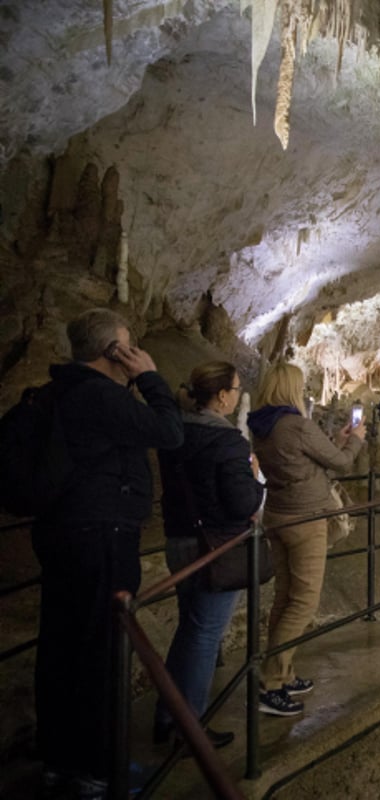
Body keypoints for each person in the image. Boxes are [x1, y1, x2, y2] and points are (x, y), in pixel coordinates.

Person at [32, 308, 183, 799]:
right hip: (102, 536)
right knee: (100, 653)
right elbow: (169, 432)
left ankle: (59, 761)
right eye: (128, 345)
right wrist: (152, 377)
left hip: (63, 533)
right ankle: (97, 771)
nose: (134, 352)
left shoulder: (60, 391)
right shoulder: (99, 395)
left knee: (60, 647)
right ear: (113, 352)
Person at [153, 362, 264, 750]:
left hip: (179, 541)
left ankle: (168, 717)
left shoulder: (176, 432)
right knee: (204, 636)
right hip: (216, 549)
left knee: (189, 630)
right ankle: (190, 730)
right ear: (221, 396)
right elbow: (241, 503)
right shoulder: (229, 442)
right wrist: (255, 481)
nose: (236, 395)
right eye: (235, 389)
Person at [248, 363, 365, 716]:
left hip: (279, 516)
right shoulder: (297, 425)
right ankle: (271, 683)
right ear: (290, 389)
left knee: (285, 599)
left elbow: (308, 461)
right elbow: (341, 463)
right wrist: (355, 442)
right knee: (303, 604)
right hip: (306, 519)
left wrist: (338, 439)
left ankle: (283, 673)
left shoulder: (260, 426)